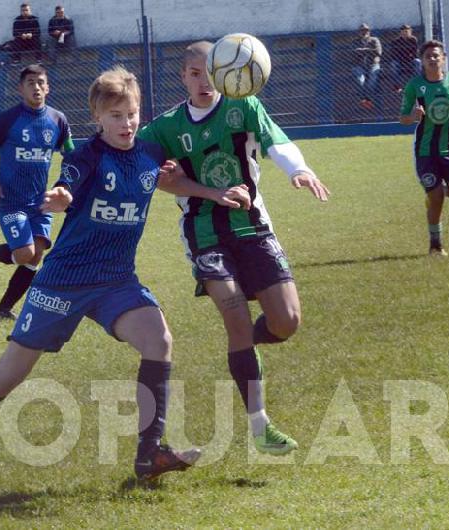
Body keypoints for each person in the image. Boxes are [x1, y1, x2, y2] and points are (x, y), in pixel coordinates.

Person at [0, 65, 252, 497]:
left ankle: (150, 455)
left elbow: (166, 181)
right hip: (61, 285)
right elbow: (66, 186)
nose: (126, 124)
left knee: (159, 341)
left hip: (116, 282)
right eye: (116, 115)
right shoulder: (84, 158)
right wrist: (59, 198)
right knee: (5, 379)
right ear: (98, 117)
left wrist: (215, 193)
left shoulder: (147, 153)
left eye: (132, 114)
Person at [138, 41, 331, 456]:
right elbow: (139, 163)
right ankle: (261, 425)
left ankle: (244, 352)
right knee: (236, 316)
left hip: (253, 227)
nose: (202, 80)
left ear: (224, 72)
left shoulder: (244, 108)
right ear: (182, 78)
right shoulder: (166, 127)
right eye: (193, 73)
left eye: (209, 72)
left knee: (287, 321)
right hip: (204, 233)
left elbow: (275, 140)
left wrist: (298, 170)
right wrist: (159, 173)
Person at [0, 64, 73, 321]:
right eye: (30, 82)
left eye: (41, 82)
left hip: (41, 202)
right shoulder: (7, 119)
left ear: (48, 87)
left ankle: (4, 309)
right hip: (11, 201)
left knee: (37, 253)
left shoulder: (58, 120)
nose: (36, 87)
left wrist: (63, 183)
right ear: (21, 88)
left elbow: (71, 155)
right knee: (24, 255)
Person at [399, 40, 449, 256]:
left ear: (443, 58)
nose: (432, 59)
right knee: (437, 196)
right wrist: (413, 116)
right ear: (422, 61)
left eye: (436, 55)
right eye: (428, 56)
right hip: (424, 150)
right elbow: (403, 118)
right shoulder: (414, 85)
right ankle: (435, 246)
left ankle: (436, 192)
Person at [351, 23, 382, 110]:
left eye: (366, 30)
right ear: (359, 32)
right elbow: (354, 53)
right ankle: (364, 99)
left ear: (369, 31)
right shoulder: (355, 41)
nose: (364, 32)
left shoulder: (374, 40)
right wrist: (370, 51)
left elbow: (378, 52)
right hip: (358, 65)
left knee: (371, 82)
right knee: (360, 81)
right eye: (362, 30)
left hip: (373, 64)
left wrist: (363, 50)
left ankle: (368, 99)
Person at [388, 24, 422, 93]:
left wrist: (410, 57)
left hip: (410, 60)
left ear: (410, 32)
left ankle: (418, 83)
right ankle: (396, 86)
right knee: (393, 64)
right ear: (400, 33)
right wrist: (402, 58)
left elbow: (415, 52)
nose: (405, 33)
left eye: (407, 31)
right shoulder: (396, 41)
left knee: (418, 61)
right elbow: (394, 54)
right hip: (400, 61)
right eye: (403, 32)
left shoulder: (413, 39)